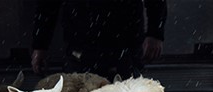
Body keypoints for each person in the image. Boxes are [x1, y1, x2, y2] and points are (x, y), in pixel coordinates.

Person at [31, 0, 167, 79]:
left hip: (123, 45)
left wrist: (155, 33)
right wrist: (40, 45)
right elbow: (47, 4)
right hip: (81, 47)